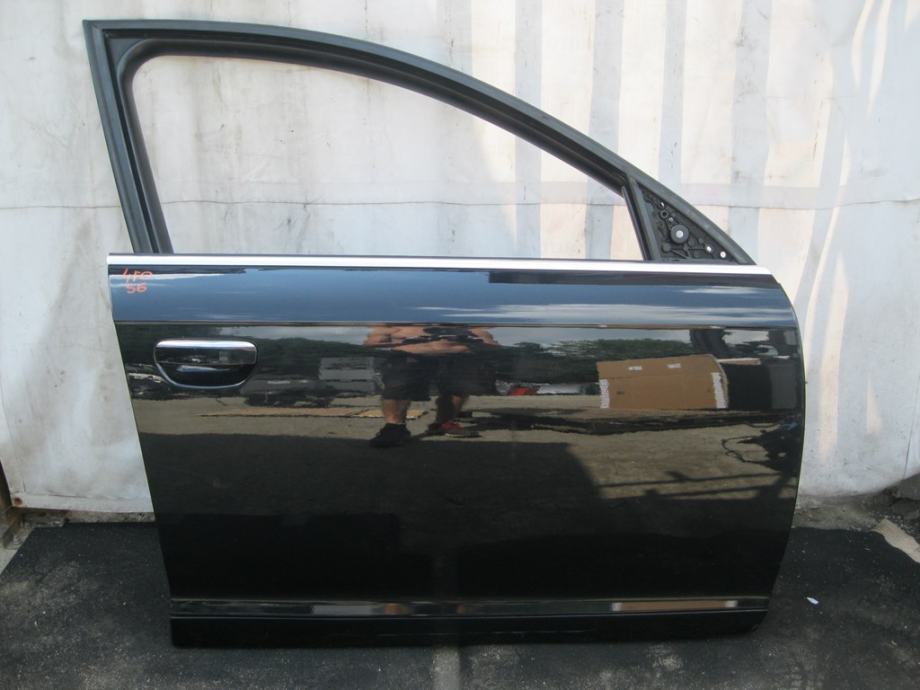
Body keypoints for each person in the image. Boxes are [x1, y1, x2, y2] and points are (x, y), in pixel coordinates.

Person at [363, 326, 498, 447]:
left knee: (457, 389)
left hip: (457, 356)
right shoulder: (396, 323)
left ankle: (444, 423)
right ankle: (394, 427)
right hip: (409, 356)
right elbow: (371, 343)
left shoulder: (464, 324)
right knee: (397, 387)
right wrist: (410, 341)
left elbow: (491, 344)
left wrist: (472, 343)